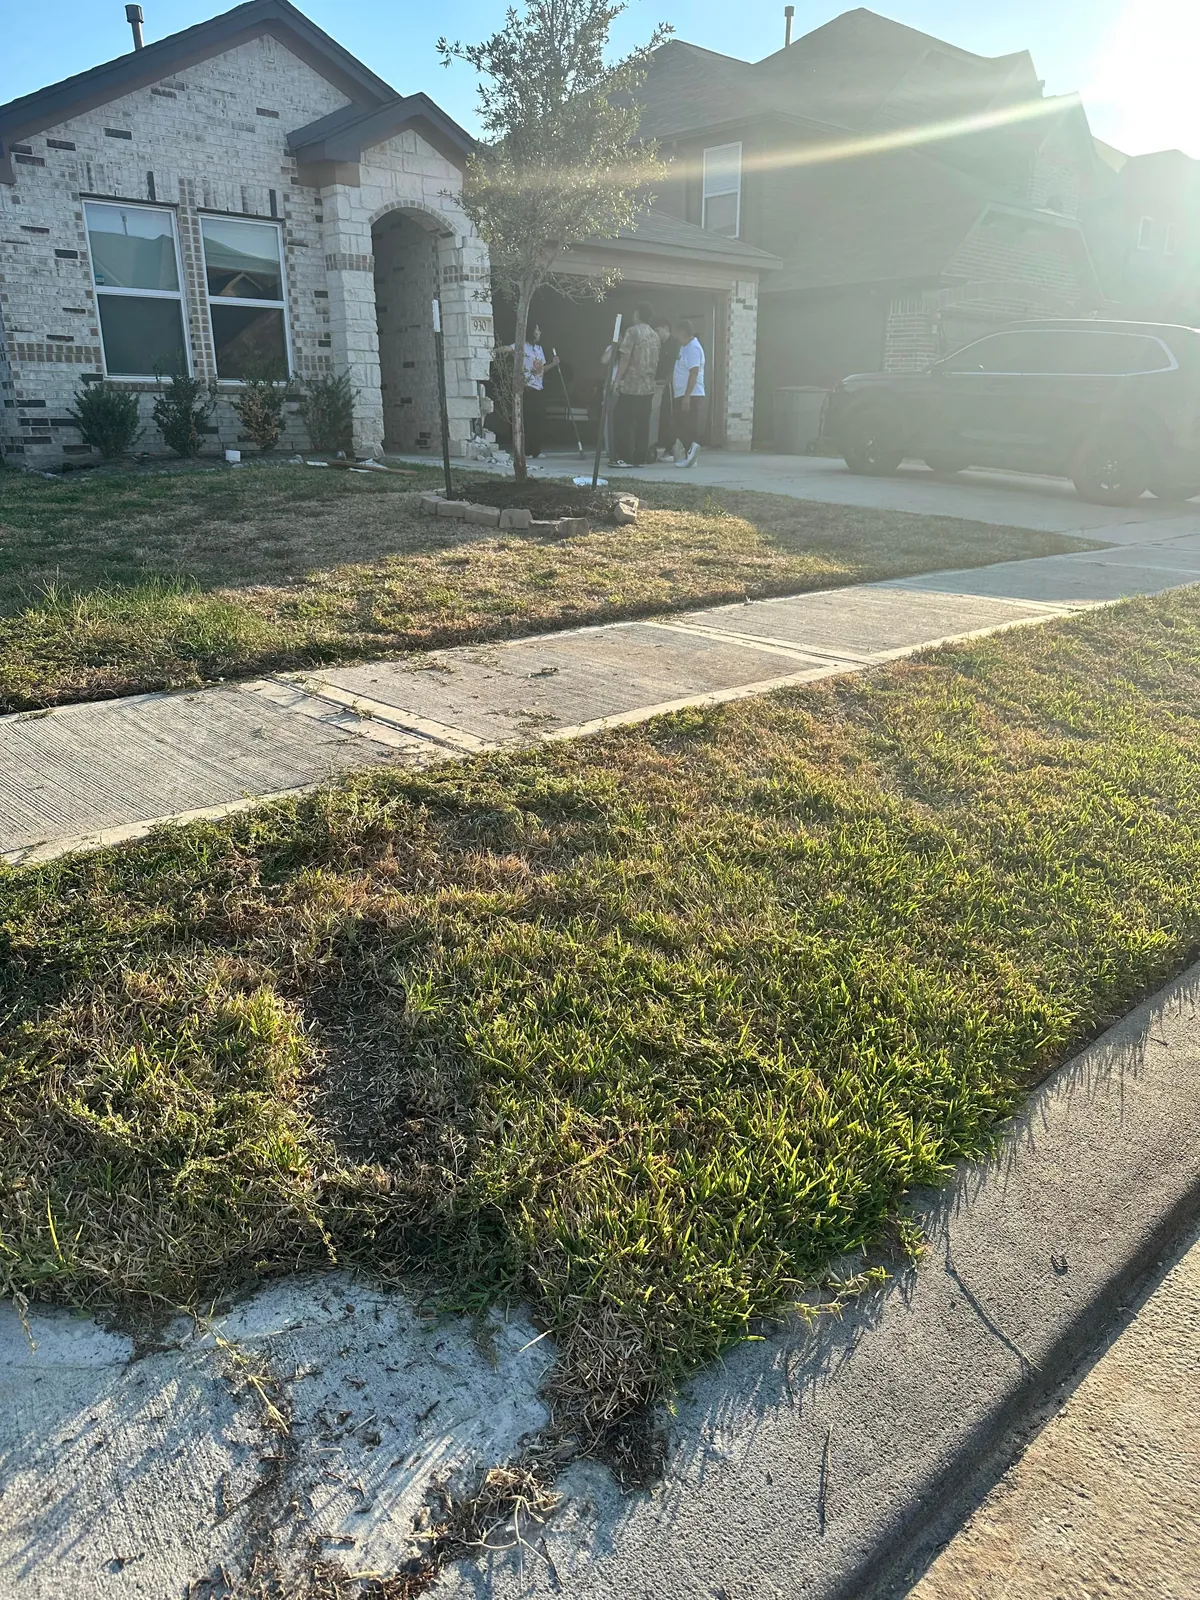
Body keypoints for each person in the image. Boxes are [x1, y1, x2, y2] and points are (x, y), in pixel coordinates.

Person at [612, 303, 660, 467]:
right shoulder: (655, 335)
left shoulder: (632, 332)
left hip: (632, 385)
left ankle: (624, 457)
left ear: (638, 314)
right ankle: (640, 458)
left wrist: (617, 379)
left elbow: (625, 358)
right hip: (649, 385)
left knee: (621, 421)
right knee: (643, 423)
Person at [499, 324, 558, 457]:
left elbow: (540, 371)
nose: (540, 332)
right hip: (526, 388)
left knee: (537, 421)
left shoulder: (539, 349)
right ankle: (525, 451)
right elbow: (508, 348)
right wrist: (491, 350)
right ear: (531, 332)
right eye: (537, 330)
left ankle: (536, 451)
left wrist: (553, 364)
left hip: (538, 388)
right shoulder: (522, 346)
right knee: (526, 421)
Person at [671, 318, 706, 468]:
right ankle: (687, 455)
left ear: (683, 333)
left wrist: (686, 397)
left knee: (689, 425)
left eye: (677, 334)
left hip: (691, 394)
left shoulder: (693, 348)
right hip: (682, 393)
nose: (675, 337)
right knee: (682, 425)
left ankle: (692, 456)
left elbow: (694, 372)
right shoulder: (685, 347)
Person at [650, 320, 678, 461]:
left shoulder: (674, 345)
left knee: (669, 416)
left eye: (658, 330)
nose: (656, 334)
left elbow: (675, 365)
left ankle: (671, 449)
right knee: (659, 416)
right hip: (659, 385)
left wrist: (668, 380)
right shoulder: (658, 345)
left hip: (671, 386)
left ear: (666, 329)